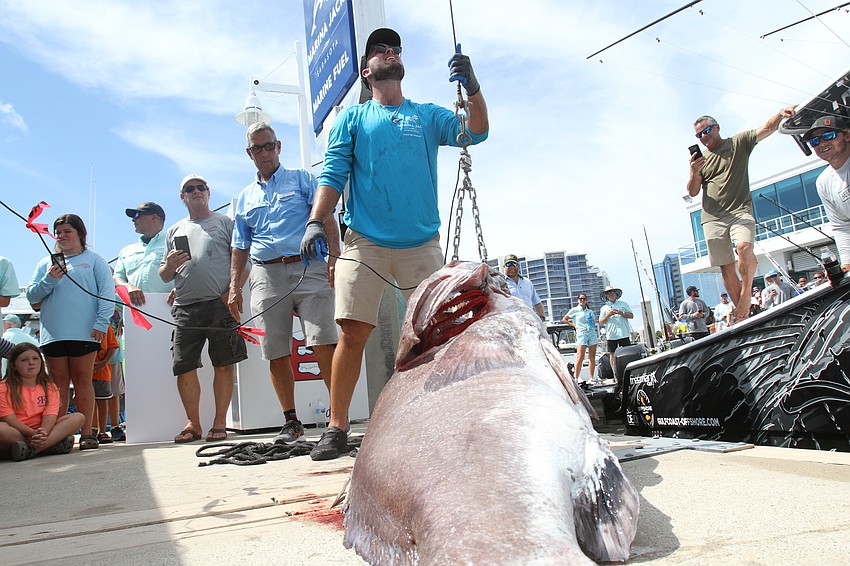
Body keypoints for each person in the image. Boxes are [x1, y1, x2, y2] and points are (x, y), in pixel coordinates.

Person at [298, 28, 489, 460]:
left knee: (438, 335)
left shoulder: (427, 114)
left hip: (421, 243)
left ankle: (444, 417)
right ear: (367, 71)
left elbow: (476, 133)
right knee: (352, 331)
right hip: (364, 242)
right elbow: (332, 176)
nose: (391, 51)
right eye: (381, 50)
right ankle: (336, 426)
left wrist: (473, 89)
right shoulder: (351, 119)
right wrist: (315, 220)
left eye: (396, 48)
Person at [229, 122, 339, 445]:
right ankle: (291, 421)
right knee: (274, 349)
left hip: (309, 266)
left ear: (279, 146)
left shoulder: (304, 180)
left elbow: (327, 216)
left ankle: (338, 415)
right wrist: (235, 285)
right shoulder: (244, 198)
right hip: (266, 274)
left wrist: (335, 257)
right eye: (257, 148)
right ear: (249, 153)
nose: (264, 152)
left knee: (322, 340)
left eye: (269, 145)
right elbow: (240, 245)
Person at [159, 174, 248, 444]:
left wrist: (232, 291)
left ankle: (220, 422)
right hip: (185, 308)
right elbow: (164, 275)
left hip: (219, 305)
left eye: (201, 187)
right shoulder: (173, 231)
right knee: (184, 366)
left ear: (209, 193)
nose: (196, 191)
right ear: (182, 196)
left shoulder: (225, 223)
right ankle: (193, 423)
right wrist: (171, 265)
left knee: (223, 363)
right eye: (190, 188)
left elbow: (245, 263)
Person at [687, 106, 797, 322]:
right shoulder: (702, 161)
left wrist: (781, 114)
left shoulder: (738, 143)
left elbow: (766, 127)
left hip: (739, 211)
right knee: (726, 266)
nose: (703, 137)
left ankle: (746, 297)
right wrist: (694, 171)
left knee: (744, 247)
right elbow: (692, 191)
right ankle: (743, 315)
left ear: (717, 127)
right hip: (712, 218)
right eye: (699, 135)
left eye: (706, 131)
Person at [26, 213, 114, 450]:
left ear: (80, 235)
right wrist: (49, 280)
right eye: (58, 232)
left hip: (85, 333)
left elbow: (107, 295)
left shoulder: (95, 261)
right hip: (52, 334)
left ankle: (88, 433)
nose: (61, 236)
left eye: (67, 231)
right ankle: (59, 435)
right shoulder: (46, 263)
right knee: (58, 385)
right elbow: (32, 297)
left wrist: (100, 324)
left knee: (83, 381)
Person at [0, 343, 85, 461]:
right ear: (13, 366)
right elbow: (9, 419)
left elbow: (50, 416)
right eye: (24, 360)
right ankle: (50, 445)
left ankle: (32, 449)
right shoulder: (3, 387)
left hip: (44, 431)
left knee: (78, 417)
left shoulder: (50, 387)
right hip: (17, 432)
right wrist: (32, 433)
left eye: (35, 359)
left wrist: (42, 434)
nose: (31, 363)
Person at [802, 115, 850, 272]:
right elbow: (841, 226)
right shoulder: (823, 182)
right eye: (815, 142)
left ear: (847, 135)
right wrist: (847, 264)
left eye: (829, 135)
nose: (822, 144)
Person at [115, 201, 174, 306]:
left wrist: (179, 290)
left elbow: (190, 272)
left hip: (170, 308)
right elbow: (117, 278)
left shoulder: (173, 243)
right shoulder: (126, 251)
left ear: (154, 217)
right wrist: (128, 287)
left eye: (137, 215)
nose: (133, 219)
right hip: (136, 313)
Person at [91, 324, 119, 444]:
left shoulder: (106, 327)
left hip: (103, 373)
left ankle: (102, 431)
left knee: (102, 402)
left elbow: (113, 346)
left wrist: (104, 363)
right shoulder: (81, 324)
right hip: (85, 375)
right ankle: (90, 430)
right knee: (88, 403)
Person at [561, 294, 598, 383]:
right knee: (580, 356)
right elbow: (564, 319)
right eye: (580, 299)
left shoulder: (590, 311)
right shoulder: (574, 310)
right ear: (578, 300)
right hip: (581, 333)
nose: (582, 300)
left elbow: (593, 321)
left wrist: (592, 323)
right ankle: (576, 378)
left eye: (584, 299)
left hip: (591, 333)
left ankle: (591, 378)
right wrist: (574, 326)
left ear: (586, 300)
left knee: (592, 357)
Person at [598, 286, 634, 373]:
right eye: (608, 293)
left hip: (624, 333)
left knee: (627, 352)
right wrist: (608, 315)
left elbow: (631, 315)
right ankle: (615, 373)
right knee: (612, 354)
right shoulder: (604, 308)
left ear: (616, 293)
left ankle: (629, 372)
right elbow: (601, 322)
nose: (611, 294)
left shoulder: (624, 304)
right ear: (606, 295)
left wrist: (622, 313)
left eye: (612, 292)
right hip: (612, 334)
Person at [503, 254, 545, 320]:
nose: (511, 267)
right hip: (511, 321)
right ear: (504, 267)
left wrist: (542, 318)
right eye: (508, 264)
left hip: (529, 320)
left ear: (518, 266)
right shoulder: (501, 283)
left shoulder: (527, 282)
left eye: (514, 264)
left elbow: (537, 302)